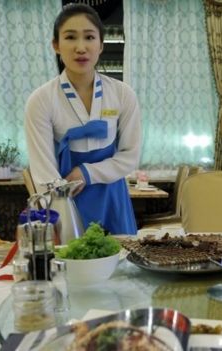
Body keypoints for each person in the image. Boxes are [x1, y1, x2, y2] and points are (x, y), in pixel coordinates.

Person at [25, 4, 141, 235]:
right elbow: (43, 172)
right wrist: (61, 210)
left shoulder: (122, 94)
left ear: (101, 45)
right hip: (67, 200)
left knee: (121, 267)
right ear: (56, 45)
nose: (81, 47)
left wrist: (86, 173)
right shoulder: (41, 100)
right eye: (70, 37)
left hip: (112, 199)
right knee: (71, 265)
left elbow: (129, 157)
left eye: (89, 37)